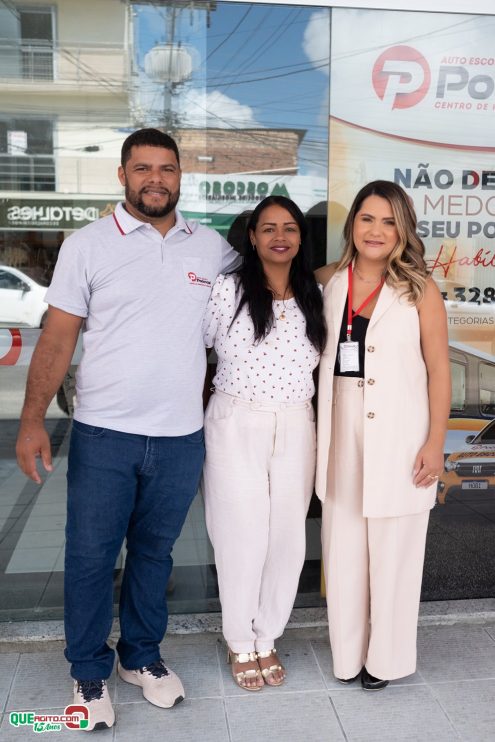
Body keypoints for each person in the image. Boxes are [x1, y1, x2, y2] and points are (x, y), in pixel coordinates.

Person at [15, 128, 240, 730]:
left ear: (180, 176)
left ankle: (140, 656)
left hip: (180, 436)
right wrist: (32, 420)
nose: (155, 180)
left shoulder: (210, 248)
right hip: (104, 434)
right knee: (90, 557)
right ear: (122, 175)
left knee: (154, 554)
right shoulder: (87, 245)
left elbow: (274, 279)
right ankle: (89, 670)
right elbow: (58, 338)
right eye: (143, 168)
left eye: (167, 169)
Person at [315, 180, 450, 691]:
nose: (376, 231)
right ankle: (348, 656)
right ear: (353, 224)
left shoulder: (420, 290)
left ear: (403, 230)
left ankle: (386, 660)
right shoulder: (328, 281)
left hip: (400, 433)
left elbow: (439, 370)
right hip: (341, 431)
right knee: (344, 551)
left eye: (389, 221)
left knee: (395, 555)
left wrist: (435, 442)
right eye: (368, 218)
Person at [202, 195, 326, 691]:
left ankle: (268, 634)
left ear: (301, 238)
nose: (280, 236)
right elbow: (195, 350)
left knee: (287, 538)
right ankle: (239, 639)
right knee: (241, 536)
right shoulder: (227, 289)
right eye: (268, 227)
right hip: (236, 420)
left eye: (290, 228)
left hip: (297, 422)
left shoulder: (316, 293)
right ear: (251, 237)